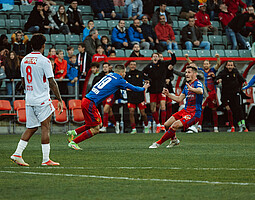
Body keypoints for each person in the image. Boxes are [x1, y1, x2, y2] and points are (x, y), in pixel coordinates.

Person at [67, 64, 150, 150]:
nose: (125, 74)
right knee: (96, 129)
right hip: (90, 103)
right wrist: (144, 88)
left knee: (95, 124)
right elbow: (134, 88)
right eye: (124, 72)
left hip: (86, 100)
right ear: (121, 73)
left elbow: (120, 87)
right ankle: (74, 142)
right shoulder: (119, 79)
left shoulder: (110, 75)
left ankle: (73, 132)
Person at [10, 33, 63, 166]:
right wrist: (60, 99)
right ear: (43, 46)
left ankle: (17, 153)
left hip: (29, 99)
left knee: (32, 127)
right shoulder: (44, 61)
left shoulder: (24, 59)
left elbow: (23, 81)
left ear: (32, 45)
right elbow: (52, 82)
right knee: (45, 127)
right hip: (42, 99)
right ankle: (46, 159)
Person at [149, 65, 204, 148]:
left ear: (195, 74)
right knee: (166, 124)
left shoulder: (197, 83)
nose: (186, 74)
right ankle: (174, 140)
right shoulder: (187, 86)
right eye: (186, 72)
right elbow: (179, 99)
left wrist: (192, 89)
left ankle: (158, 143)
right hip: (186, 111)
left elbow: (200, 91)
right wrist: (168, 94)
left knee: (175, 125)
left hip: (194, 113)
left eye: (189, 72)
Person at [143, 51, 176, 133]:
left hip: (162, 88)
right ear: (151, 58)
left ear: (158, 58)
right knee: (153, 108)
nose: (155, 58)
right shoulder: (149, 66)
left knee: (163, 105)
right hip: (153, 89)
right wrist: (147, 79)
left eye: (156, 56)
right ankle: (157, 124)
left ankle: (163, 125)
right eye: (153, 56)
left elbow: (173, 62)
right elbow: (142, 73)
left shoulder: (163, 64)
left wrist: (172, 54)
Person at [215, 60, 248, 132]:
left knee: (238, 108)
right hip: (226, 95)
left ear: (233, 66)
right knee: (229, 110)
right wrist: (218, 80)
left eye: (231, 65)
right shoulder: (223, 72)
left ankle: (242, 125)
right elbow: (216, 79)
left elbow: (241, 79)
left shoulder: (235, 72)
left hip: (235, 93)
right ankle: (232, 126)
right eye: (228, 65)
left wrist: (245, 82)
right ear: (226, 66)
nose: (230, 67)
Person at [91, 62, 118, 133]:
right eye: (104, 67)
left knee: (105, 110)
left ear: (109, 67)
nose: (105, 68)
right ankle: (116, 124)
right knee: (109, 112)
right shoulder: (100, 76)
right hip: (103, 95)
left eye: (106, 67)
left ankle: (105, 126)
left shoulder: (113, 75)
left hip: (111, 95)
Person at [197, 54, 221, 132]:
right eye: (204, 64)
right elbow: (192, 66)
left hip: (212, 93)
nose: (205, 65)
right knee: (201, 109)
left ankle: (216, 127)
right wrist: (187, 58)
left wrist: (218, 58)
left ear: (209, 65)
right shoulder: (200, 71)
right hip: (203, 93)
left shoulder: (212, 71)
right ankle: (199, 126)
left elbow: (218, 64)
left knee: (214, 110)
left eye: (207, 64)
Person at [125, 60, 150, 134]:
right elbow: (122, 84)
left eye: (134, 64)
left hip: (140, 96)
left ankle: (146, 127)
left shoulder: (140, 73)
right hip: (131, 97)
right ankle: (133, 129)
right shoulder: (127, 75)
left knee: (143, 113)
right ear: (129, 66)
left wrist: (147, 83)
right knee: (131, 112)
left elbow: (148, 79)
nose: (132, 66)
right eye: (131, 64)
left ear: (135, 66)